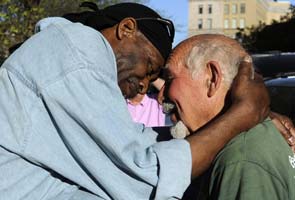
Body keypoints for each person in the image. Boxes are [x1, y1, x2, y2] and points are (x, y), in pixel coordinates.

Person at [0, 2, 288, 200]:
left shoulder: (248, 157)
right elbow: (146, 174)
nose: (145, 86)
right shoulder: (77, 55)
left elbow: (136, 146)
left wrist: (241, 116)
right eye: (149, 68)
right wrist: (243, 114)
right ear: (126, 29)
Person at [161, 34, 295, 199]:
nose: (161, 95)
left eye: (169, 78)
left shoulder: (240, 159)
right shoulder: (245, 144)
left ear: (212, 78)